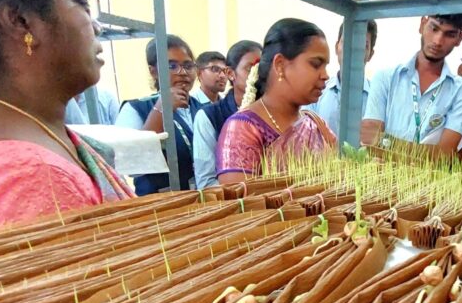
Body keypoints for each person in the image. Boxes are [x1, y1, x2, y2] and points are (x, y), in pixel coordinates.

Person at [0, 0, 133, 232]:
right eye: (82, 2)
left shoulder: (34, 132)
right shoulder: (29, 181)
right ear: (21, 21)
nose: (97, 26)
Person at [360, 0, 462, 155]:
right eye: (434, 28)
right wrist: (425, 152)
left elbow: (444, 154)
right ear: (422, 24)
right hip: (378, 176)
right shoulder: (386, 77)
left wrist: (385, 141)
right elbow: (368, 137)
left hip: (428, 181)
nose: (438, 41)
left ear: (460, 38)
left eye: (450, 34)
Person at [215, 18, 335, 184]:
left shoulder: (317, 124)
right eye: (315, 64)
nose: (325, 75)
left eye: (325, 66)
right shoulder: (243, 129)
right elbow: (242, 206)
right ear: (280, 65)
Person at [116, 35, 201, 195]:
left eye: (188, 65)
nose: (182, 72)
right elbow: (131, 164)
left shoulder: (203, 108)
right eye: (172, 66)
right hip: (160, 207)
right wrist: (161, 110)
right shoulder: (136, 109)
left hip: (204, 200)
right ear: (153, 71)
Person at [193, 40, 261, 189]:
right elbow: (206, 183)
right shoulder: (209, 117)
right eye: (250, 69)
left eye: (262, 69)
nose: (257, 75)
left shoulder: (272, 113)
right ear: (230, 73)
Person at [306, 19, 377, 135]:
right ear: (336, 47)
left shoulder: (377, 98)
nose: (353, 50)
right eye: (347, 42)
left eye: (363, 45)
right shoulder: (317, 90)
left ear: (370, 55)